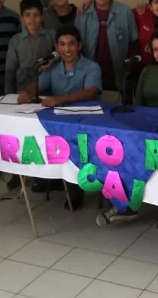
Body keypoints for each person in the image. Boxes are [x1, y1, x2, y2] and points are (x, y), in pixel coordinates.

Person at [96, 28, 158, 228]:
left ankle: (126, 206)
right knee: (115, 148)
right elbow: (137, 106)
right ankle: (122, 201)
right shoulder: (147, 71)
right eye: (156, 49)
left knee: (135, 153)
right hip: (143, 128)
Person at [17, 25, 102, 209]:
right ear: (57, 47)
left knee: (75, 143)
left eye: (71, 44)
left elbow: (90, 92)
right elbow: (37, 85)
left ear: (79, 45)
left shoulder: (91, 67)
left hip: (84, 123)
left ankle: (76, 186)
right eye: (62, 44)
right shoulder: (53, 68)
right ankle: (53, 178)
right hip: (57, 123)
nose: (67, 49)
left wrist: (59, 99)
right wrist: (26, 93)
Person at [4, 0, 55, 191]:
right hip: (21, 92)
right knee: (18, 134)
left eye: (36, 15)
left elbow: (60, 55)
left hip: (45, 90)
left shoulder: (50, 36)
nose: (32, 20)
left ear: (42, 17)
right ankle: (17, 172)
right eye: (27, 15)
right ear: (21, 17)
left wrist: (52, 61)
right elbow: (10, 69)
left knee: (41, 133)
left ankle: (42, 175)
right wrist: (8, 96)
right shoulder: (16, 40)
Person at [75, 0, 139, 100]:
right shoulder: (83, 13)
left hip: (118, 78)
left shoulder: (125, 12)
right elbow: (76, 44)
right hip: (88, 79)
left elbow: (134, 43)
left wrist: (130, 70)